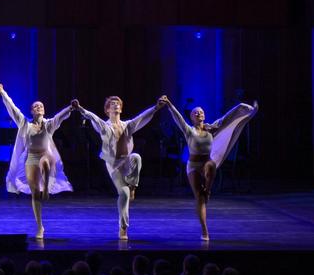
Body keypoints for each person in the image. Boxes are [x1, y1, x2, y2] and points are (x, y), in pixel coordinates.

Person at [161, 96, 258, 240]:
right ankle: (204, 230)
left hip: (207, 164)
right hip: (193, 166)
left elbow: (226, 119)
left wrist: (239, 108)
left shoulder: (211, 129)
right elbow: (178, 117)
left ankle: (208, 189)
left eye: (201, 112)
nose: (198, 113)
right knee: (199, 198)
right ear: (191, 117)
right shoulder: (189, 131)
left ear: (204, 115)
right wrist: (169, 104)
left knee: (211, 165)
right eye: (195, 112)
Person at [76, 95, 167, 240]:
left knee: (136, 157)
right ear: (107, 110)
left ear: (121, 108)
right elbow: (93, 118)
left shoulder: (127, 125)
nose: (116, 105)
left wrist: (156, 108)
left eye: (118, 103)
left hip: (126, 160)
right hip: (113, 164)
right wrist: (80, 109)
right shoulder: (105, 127)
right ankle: (123, 227)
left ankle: (133, 186)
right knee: (123, 194)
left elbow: (142, 118)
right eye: (112, 103)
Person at [0, 85, 75, 241]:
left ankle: (46, 188)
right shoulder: (25, 124)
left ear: (44, 111)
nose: (38, 107)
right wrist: (3, 93)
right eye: (35, 106)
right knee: (34, 193)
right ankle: (40, 226)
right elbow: (13, 109)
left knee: (45, 161)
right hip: (31, 158)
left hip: (46, 156)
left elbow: (60, 117)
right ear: (32, 111)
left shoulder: (49, 124)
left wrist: (70, 108)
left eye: (41, 106)